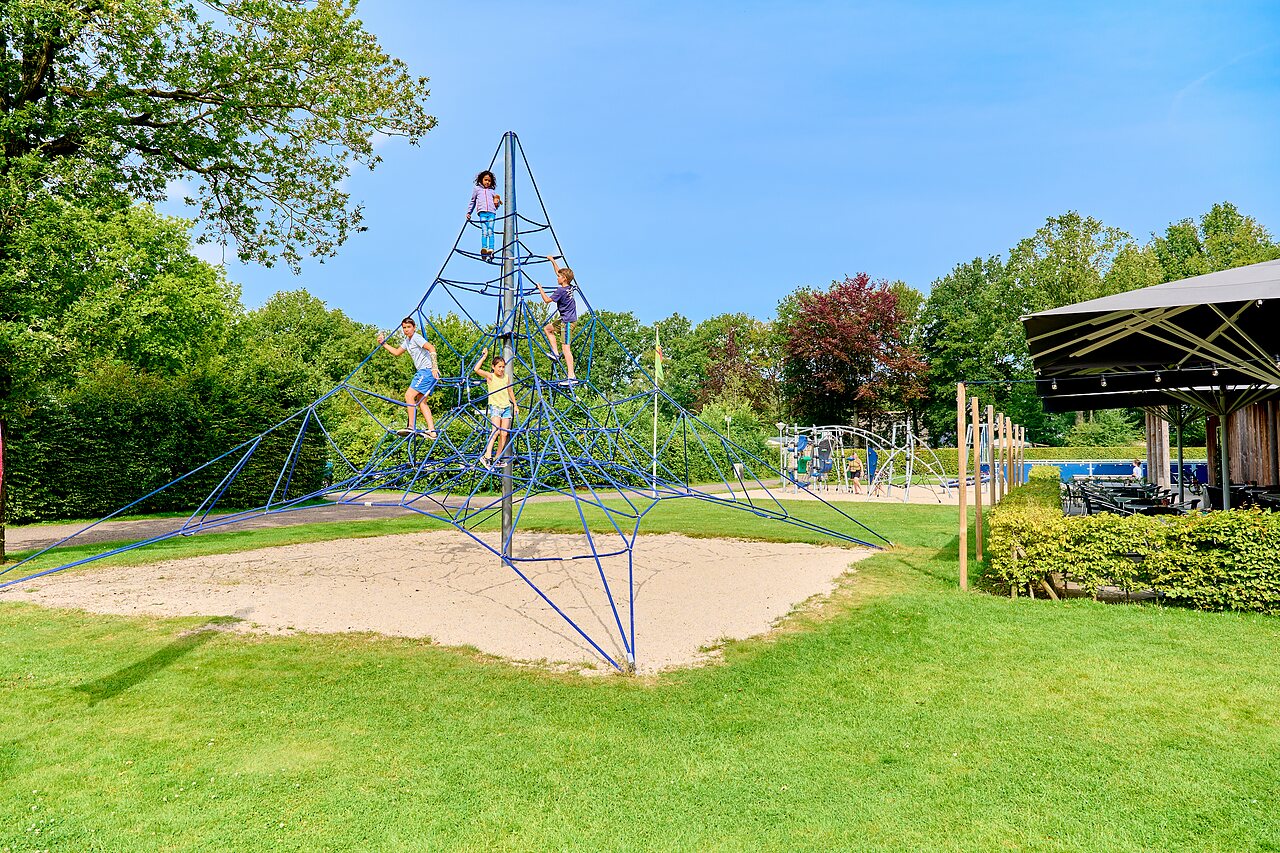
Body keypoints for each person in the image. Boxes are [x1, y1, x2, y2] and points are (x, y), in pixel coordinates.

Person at [378, 317, 439, 437]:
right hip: (424, 372)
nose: (406, 330)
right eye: (404, 328)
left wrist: (434, 367)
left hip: (426, 371)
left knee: (409, 395)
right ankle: (432, 431)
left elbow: (431, 348)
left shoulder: (416, 338)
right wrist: (383, 343)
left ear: (414, 327)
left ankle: (411, 426)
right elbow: (397, 352)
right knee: (422, 403)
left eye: (408, 327)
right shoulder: (407, 341)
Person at [534, 255, 578, 383]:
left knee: (566, 348)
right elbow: (558, 272)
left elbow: (547, 300)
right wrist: (553, 261)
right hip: (565, 319)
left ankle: (571, 376)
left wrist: (540, 289)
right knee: (548, 328)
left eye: (559, 277)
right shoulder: (569, 286)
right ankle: (555, 353)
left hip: (568, 322)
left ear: (564, 279)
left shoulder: (560, 291)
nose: (556, 277)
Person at [474, 351, 519, 469]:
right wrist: (483, 357)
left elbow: (510, 391)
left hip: (506, 408)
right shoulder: (490, 376)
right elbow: (476, 369)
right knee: (495, 432)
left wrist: (515, 404)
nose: (502, 369)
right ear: (493, 367)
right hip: (495, 407)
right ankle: (486, 456)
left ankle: (496, 459)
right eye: (499, 367)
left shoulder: (506, 377)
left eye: (503, 367)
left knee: (504, 434)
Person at [465, 170, 502, 260]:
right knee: (484, 231)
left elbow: (496, 202)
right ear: (481, 180)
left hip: (491, 213)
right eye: (486, 180)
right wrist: (469, 212)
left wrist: (497, 203)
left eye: (489, 181)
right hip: (482, 212)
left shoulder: (492, 191)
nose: (487, 182)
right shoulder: (477, 189)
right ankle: (484, 249)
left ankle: (491, 249)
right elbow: (473, 201)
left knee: (490, 230)